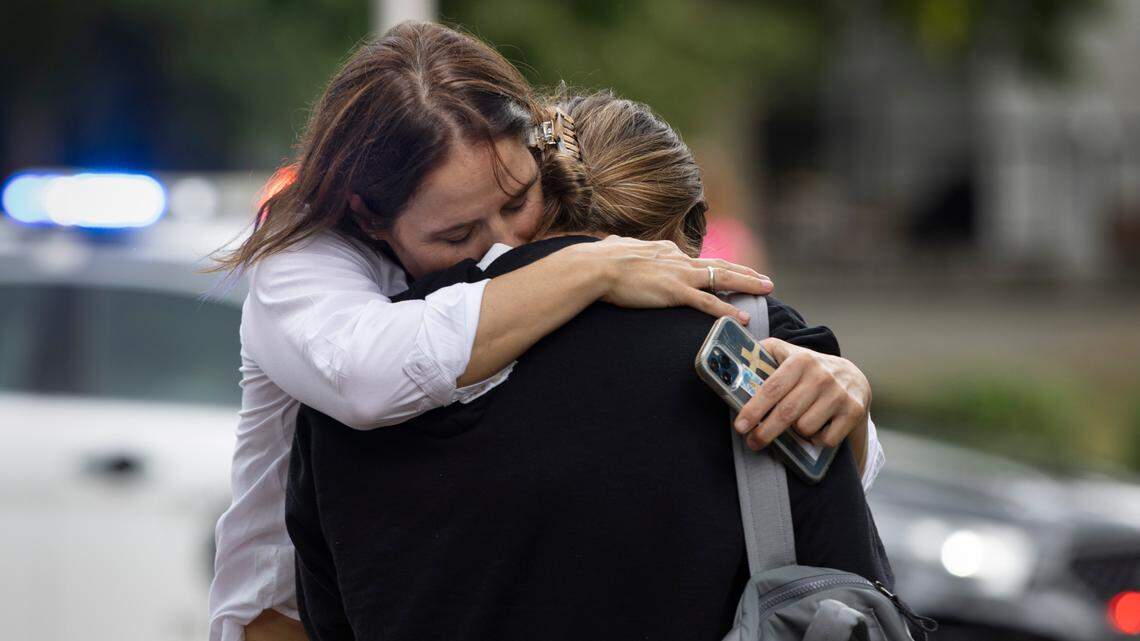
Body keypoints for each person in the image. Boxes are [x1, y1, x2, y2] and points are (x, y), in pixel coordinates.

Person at [209, 22, 882, 641]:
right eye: (456, 234)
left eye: (515, 202)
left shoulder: (757, 342)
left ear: (544, 153)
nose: (500, 247)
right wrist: (591, 268)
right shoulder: (307, 265)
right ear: (370, 216)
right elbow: (367, 377)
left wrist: (846, 397)